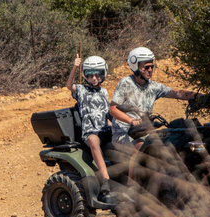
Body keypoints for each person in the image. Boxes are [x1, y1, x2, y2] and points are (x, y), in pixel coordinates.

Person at [109, 47, 202, 183]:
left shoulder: (152, 86)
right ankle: (130, 188)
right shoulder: (125, 84)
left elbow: (176, 93)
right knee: (139, 146)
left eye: (152, 66)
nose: (150, 70)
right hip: (123, 132)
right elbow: (112, 109)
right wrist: (130, 120)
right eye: (146, 67)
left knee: (167, 145)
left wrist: (201, 97)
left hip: (144, 131)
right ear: (135, 66)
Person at [66, 54, 112, 194]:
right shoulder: (81, 90)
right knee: (93, 140)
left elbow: (107, 112)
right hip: (91, 131)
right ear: (85, 75)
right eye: (90, 75)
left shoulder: (104, 91)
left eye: (97, 75)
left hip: (105, 129)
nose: (94, 78)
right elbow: (69, 86)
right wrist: (75, 67)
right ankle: (106, 179)